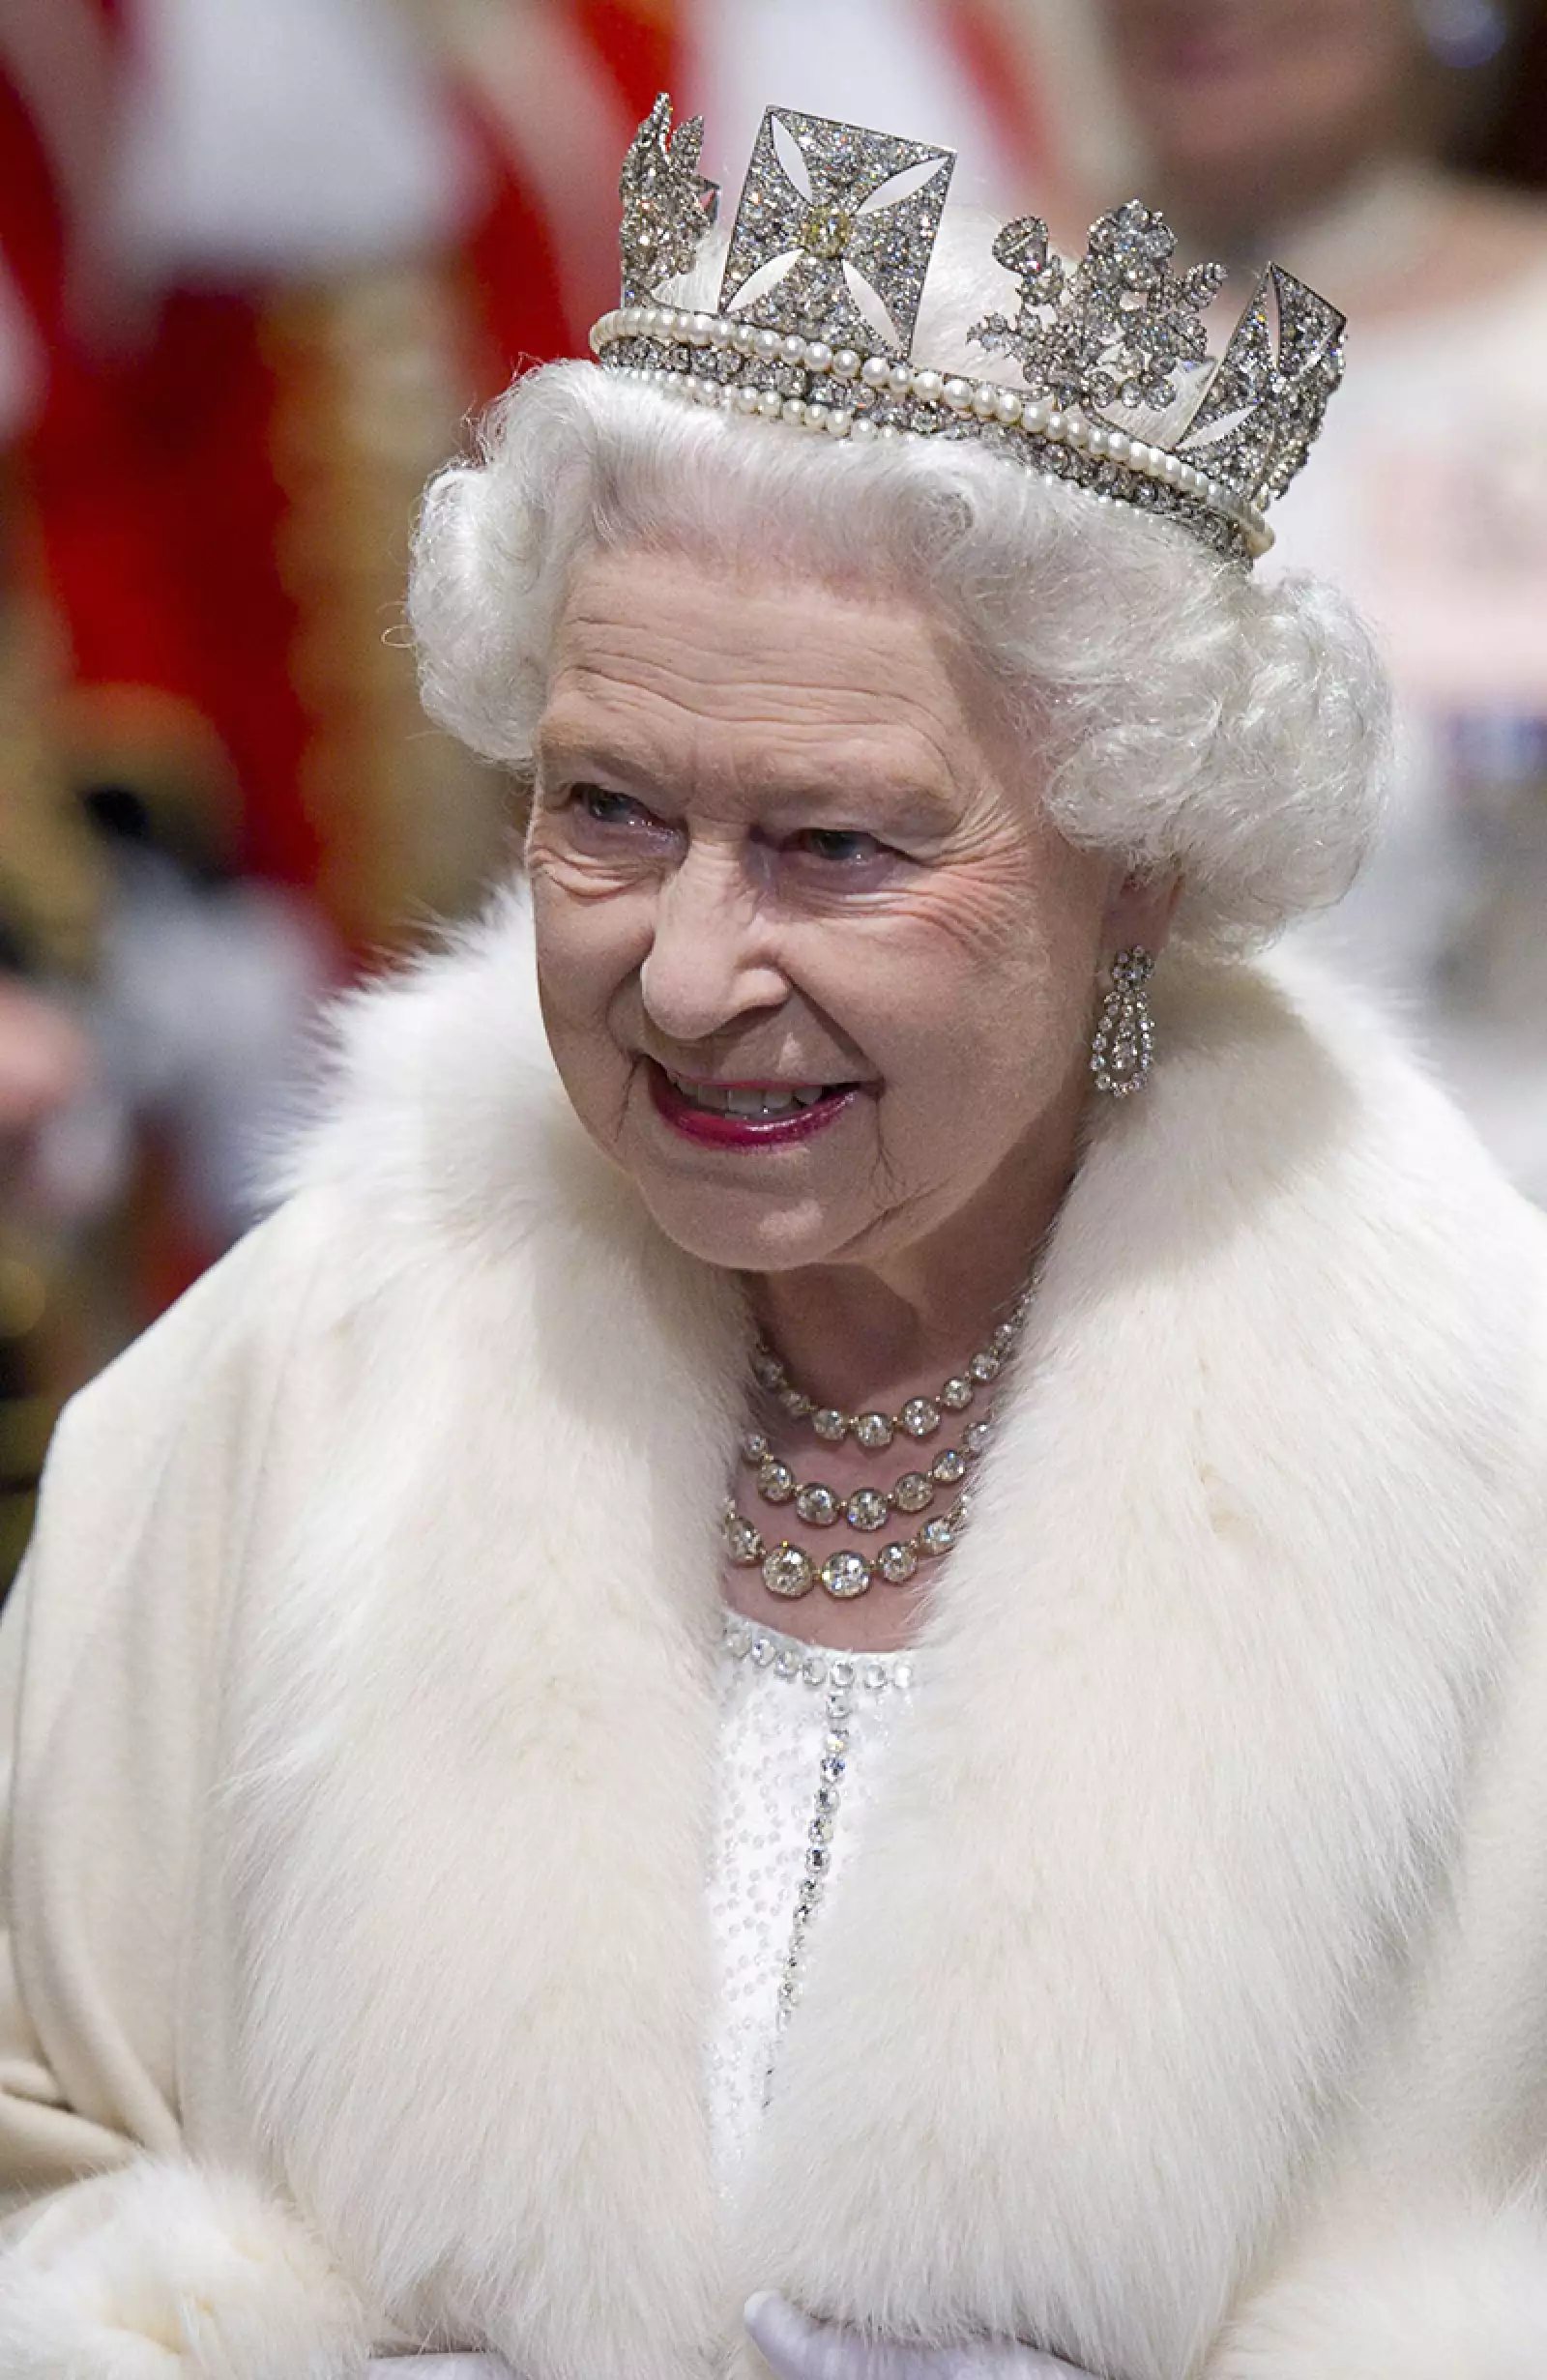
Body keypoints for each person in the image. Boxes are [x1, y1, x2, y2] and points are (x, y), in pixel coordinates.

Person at [0, 88, 1544, 2380]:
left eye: (834, 845)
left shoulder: (1488, 1452)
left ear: (1134, 864)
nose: (688, 970)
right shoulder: (276, 1386)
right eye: (608, 811)